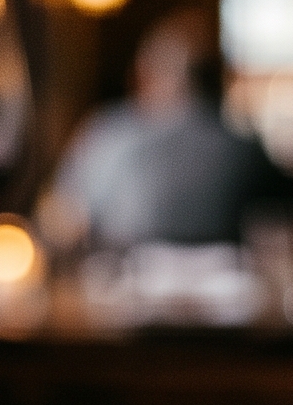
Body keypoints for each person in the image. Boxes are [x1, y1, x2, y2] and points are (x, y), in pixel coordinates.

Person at [44, 12, 263, 248]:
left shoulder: (113, 132)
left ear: (143, 72)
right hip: (226, 267)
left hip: (126, 262)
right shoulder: (239, 142)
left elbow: (62, 217)